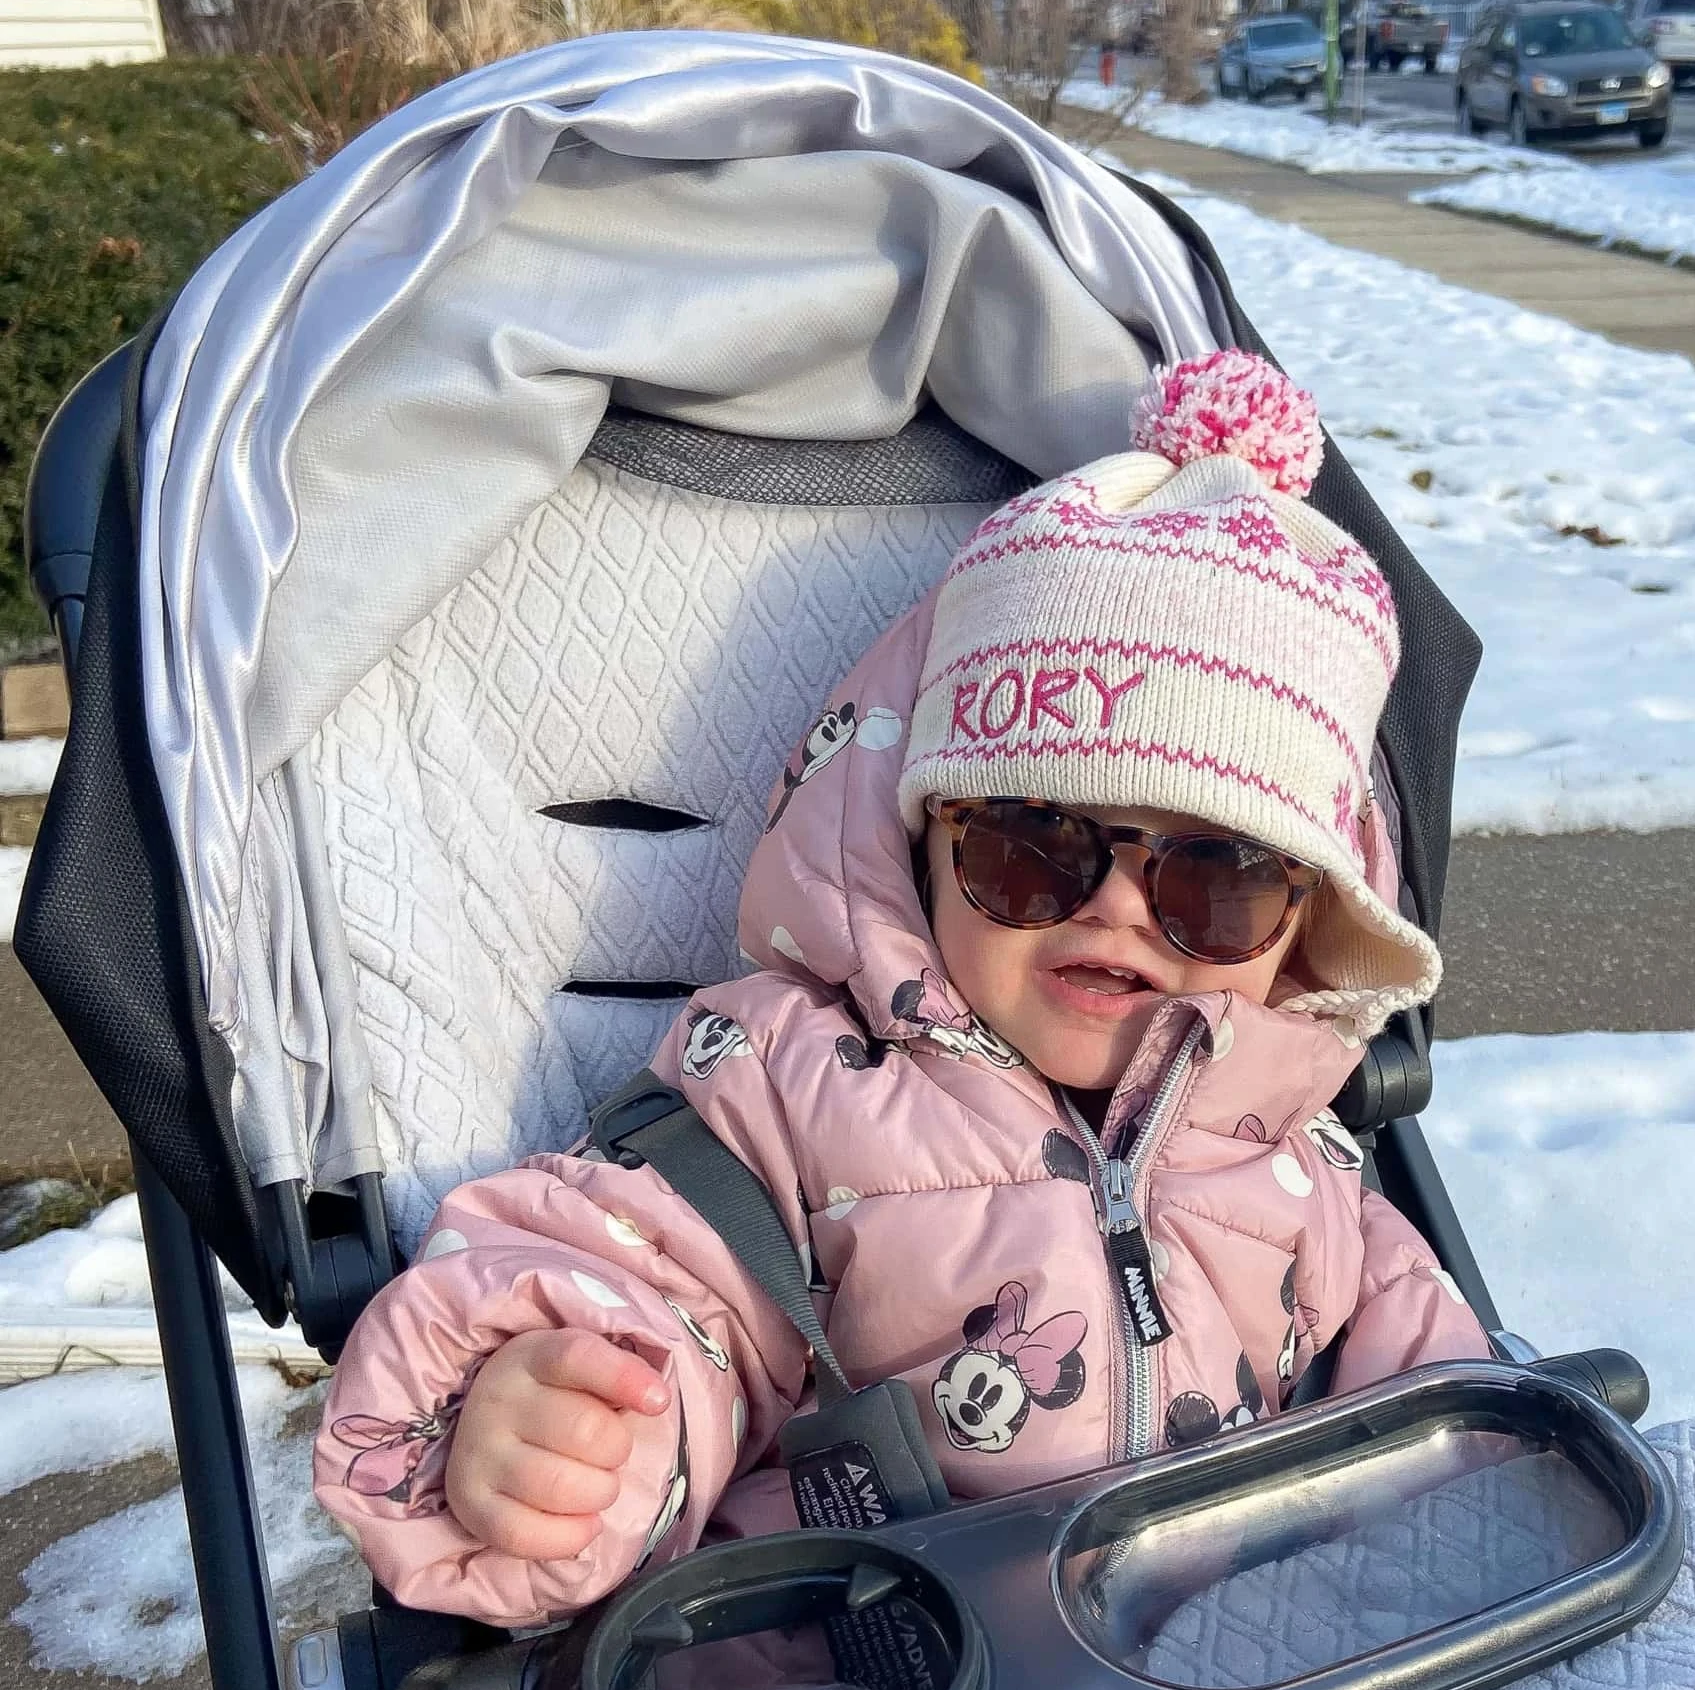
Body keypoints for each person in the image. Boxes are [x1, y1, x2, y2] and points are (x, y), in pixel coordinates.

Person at [314, 350, 1490, 1622]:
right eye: (1030, 847)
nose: (1117, 908)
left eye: (1219, 881)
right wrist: (566, 1420)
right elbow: (654, 1285)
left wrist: (1486, 1494)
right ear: (914, 845)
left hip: (1241, 1664)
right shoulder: (790, 1082)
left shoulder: (1295, 1136)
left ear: (1305, 925)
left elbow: (1426, 1389)